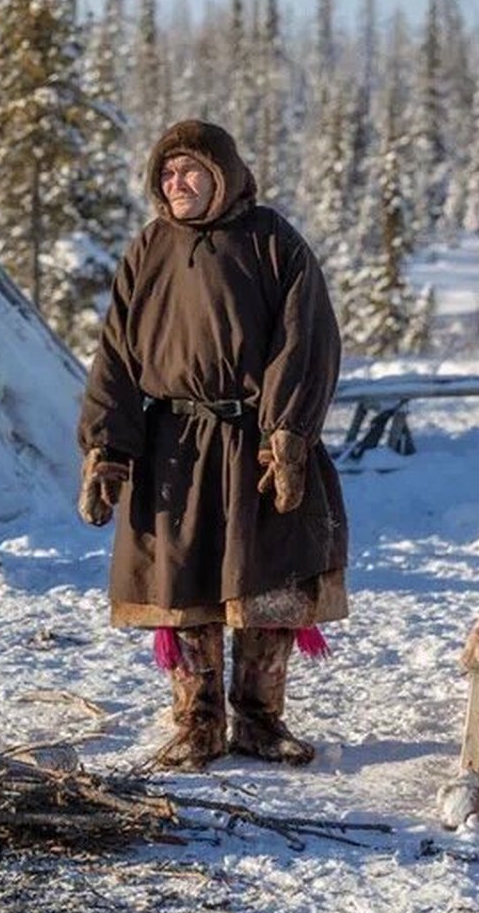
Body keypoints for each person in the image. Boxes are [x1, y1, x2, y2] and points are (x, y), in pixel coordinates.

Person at [78, 119, 349, 770]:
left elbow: (304, 340)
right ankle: (197, 726)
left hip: (254, 441)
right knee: (183, 587)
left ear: (223, 175)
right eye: (167, 174)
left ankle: (259, 721)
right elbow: (115, 352)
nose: (178, 184)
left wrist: (287, 433)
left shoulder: (271, 242)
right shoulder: (149, 249)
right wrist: (107, 448)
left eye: (191, 171)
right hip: (171, 445)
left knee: (269, 583)